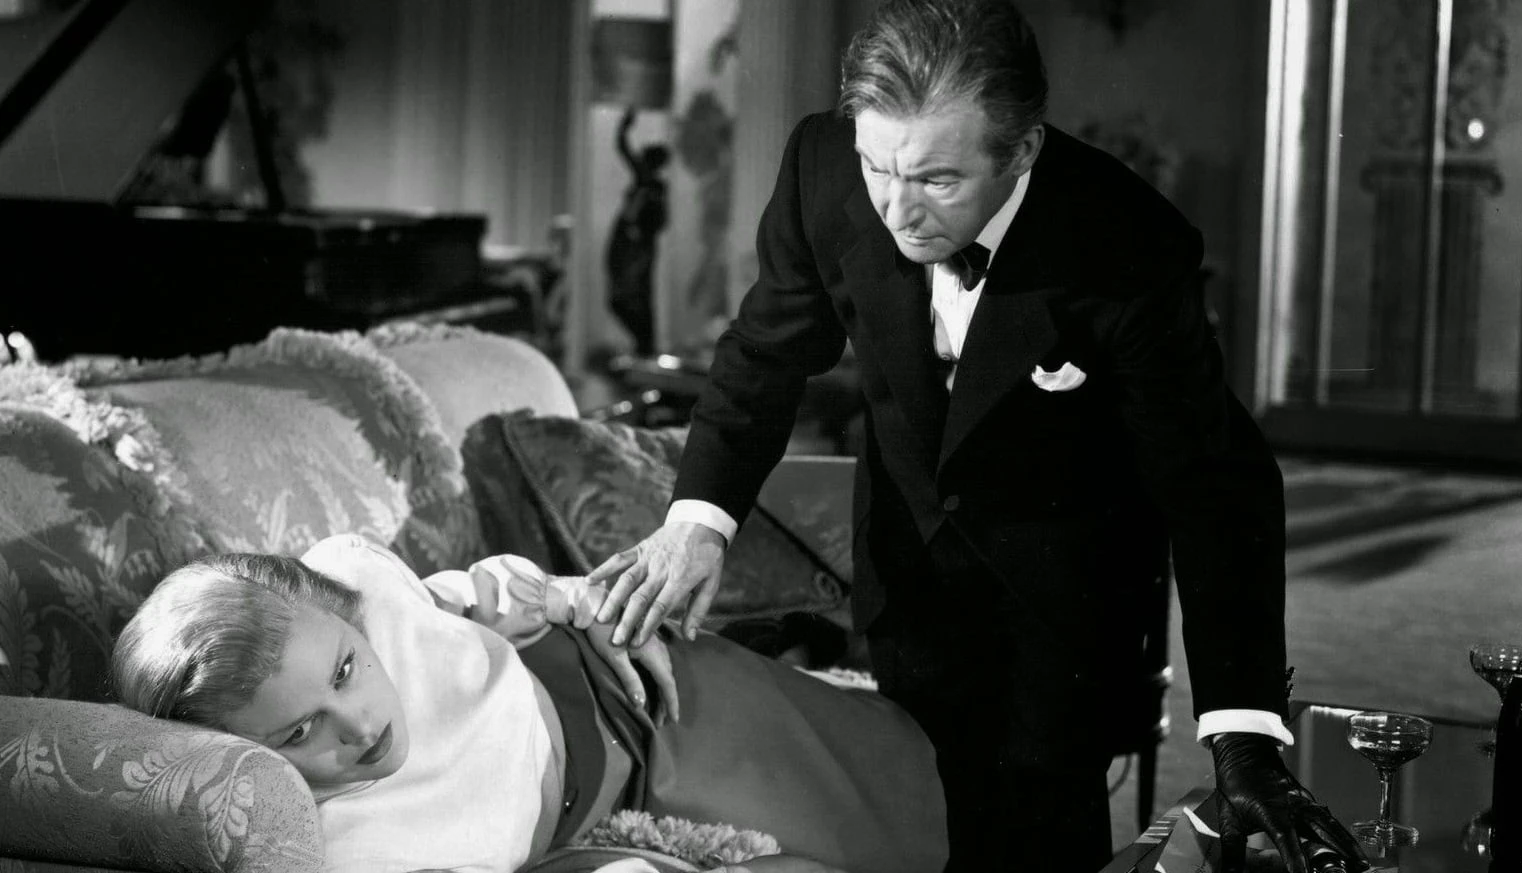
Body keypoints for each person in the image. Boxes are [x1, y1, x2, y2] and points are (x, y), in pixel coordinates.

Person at [585, 1, 1369, 871]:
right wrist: (697, 521)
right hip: (907, 572)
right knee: (900, 830)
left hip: (1065, 608)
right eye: (879, 167)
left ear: (1021, 151)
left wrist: (1243, 733)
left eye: (937, 181)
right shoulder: (823, 165)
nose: (896, 210)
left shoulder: (1128, 245)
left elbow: (1214, 482)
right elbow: (765, 355)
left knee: (1037, 847)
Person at [109, 534, 947, 873]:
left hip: (612, 690)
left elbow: (471, 592)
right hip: (585, 835)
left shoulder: (357, 585)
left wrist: (576, 600)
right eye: (300, 731)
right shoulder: (326, 848)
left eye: (346, 669)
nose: (359, 724)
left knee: (903, 789)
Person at [606, 107, 671, 355]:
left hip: (637, 247)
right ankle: (644, 345)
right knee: (631, 297)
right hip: (633, 245)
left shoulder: (652, 185)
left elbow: (660, 221)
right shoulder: (650, 184)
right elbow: (623, 147)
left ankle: (645, 346)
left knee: (633, 296)